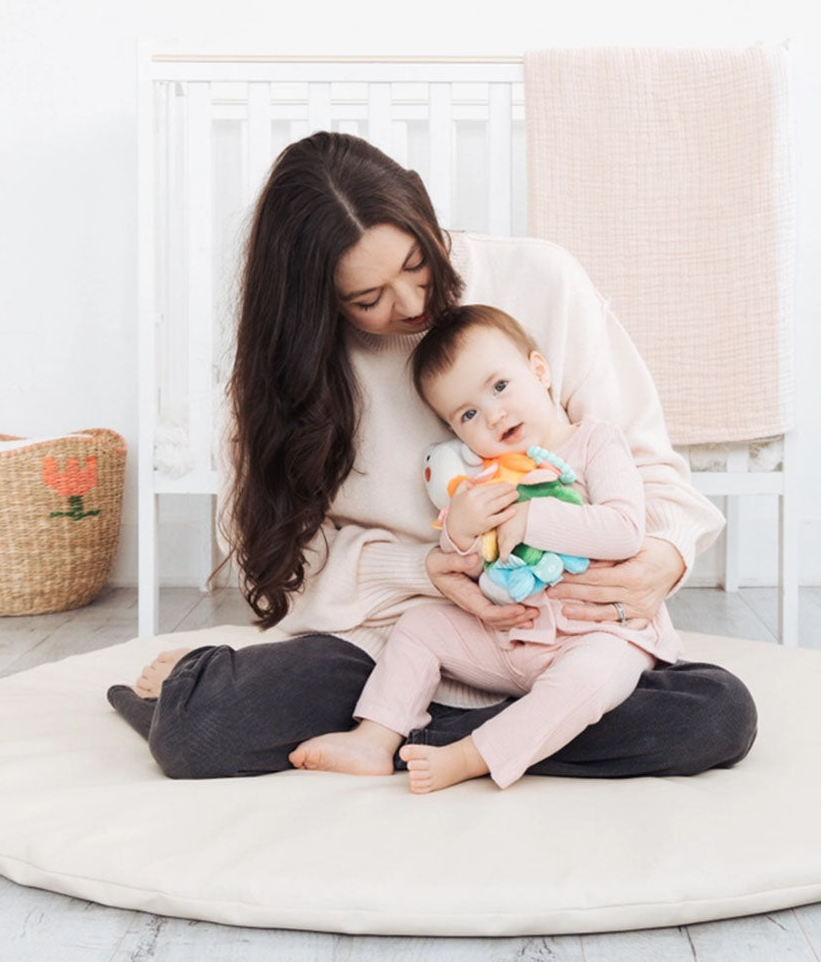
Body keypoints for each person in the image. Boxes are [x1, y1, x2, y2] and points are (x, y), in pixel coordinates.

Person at [107, 131, 756, 780]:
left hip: (570, 629)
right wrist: (435, 567)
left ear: (422, 208)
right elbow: (283, 558)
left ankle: (437, 742)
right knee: (199, 729)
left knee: (716, 713)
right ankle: (480, 732)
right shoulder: (283, 376)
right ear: (316, 301)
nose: (413, 305)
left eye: (415, 263)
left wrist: (662, 559)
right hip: (392, 640)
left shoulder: (544, 280)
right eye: (368, 300)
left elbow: (646, 467)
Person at [288, 304, 685, 793]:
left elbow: (625, 530)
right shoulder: (484, 477)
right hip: (514, 640)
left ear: (539, 372)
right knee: (419, 626)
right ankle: (374, 737)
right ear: (456, 432)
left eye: (500, 387)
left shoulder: (595, 443)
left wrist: (532, 518)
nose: (493, 415)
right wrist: (458, 530)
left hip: (598, 633)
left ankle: (475, 752)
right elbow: (469, 567)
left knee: (590, 679)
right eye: (469, 414)